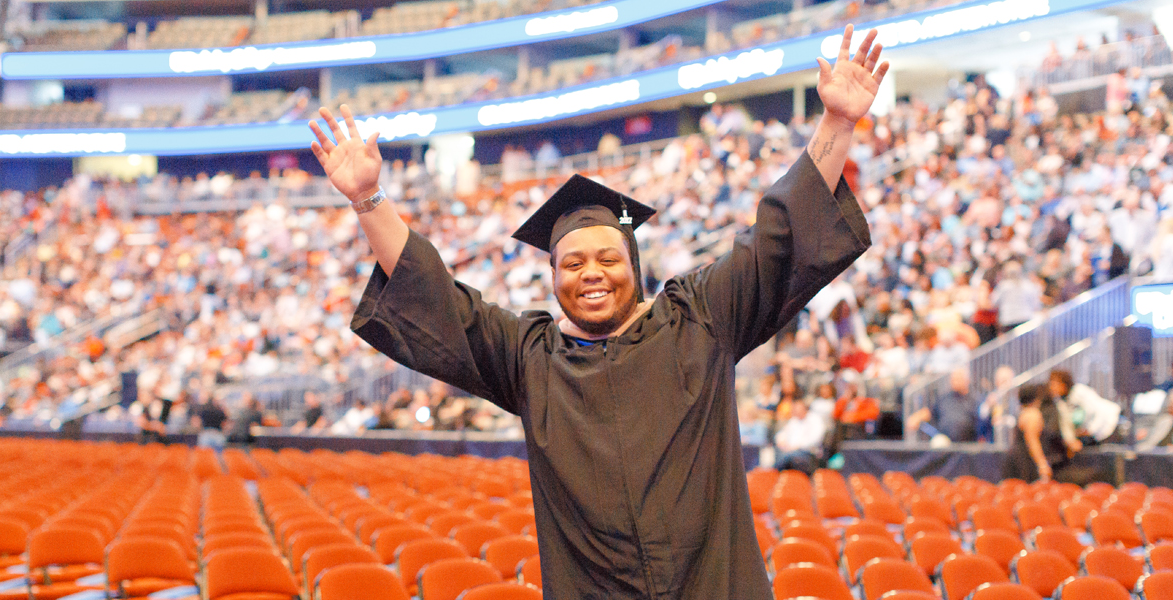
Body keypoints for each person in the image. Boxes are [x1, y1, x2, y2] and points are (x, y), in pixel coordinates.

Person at [308, 24, 887, 600]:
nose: (591, 274)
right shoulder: (530, 359)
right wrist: (367, 200)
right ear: (553, 277)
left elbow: (777, 238)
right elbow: (437, 300)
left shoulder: (701, 320)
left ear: (633, 266)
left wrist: (836, 122)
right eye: (573, 262)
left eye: (608, 257)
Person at [1003, 383, 1095, 484]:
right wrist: (1042, 464)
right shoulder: (1033, 414)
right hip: (1026, 463)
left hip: (1017, 460)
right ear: (1037, 398)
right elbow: (1032, 440)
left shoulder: (1022, 413)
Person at [905, 366, 983, 443]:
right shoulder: (945, 398)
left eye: (958, 379)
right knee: (938, 442)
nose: (954, 382)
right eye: (953, 379)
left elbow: (982, 421)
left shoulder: (975, 400)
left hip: (967, 444)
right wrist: (916, 418)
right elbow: (930, 411)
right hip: (945, 442)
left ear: (967, 380)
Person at [1048, 369, 1121, 445]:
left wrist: (1089, 430)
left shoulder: (1079, 391)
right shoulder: (1061, 402)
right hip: (1095, 434)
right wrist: (1071, 441)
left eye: (1054, 384)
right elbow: (1065, 424)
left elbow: (1095, 410)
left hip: (1109, 423)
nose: (1051, 387)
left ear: (1063, 383)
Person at [773, 399, 827, 475]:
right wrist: (781, 441)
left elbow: (816, 439)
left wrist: (797, 446)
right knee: (775, 451)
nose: (795, 411)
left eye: (798, 409)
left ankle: (774, 474)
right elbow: (782, 434)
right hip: (790, 451)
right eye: (794, 409)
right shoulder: (794, 420)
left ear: (804, 408)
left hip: (808, 453)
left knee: (787, 456)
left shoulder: (815, 419)